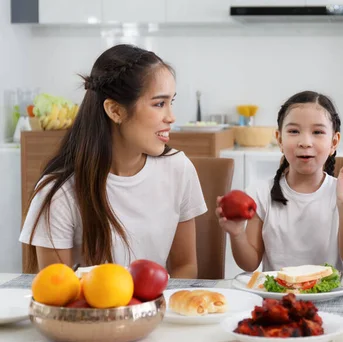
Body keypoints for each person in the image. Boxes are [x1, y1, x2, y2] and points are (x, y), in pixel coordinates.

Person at [19, 44, 206, 278]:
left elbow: (184, 267)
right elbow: (57, 293)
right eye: (159, 104)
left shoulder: (179, 168)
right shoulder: (59, 191)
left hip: (156, 312)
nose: (171, 117)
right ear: (115, 111)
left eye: (171, 102)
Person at [217, 90, 343, 274]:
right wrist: (237, 234)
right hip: (277, 297)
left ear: (334, 142)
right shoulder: (260, 193)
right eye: (294, 131)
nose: (305, 142)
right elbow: (249, 264)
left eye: (317, 132)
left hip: (330, 295)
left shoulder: (341, 193)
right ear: (280, 140)